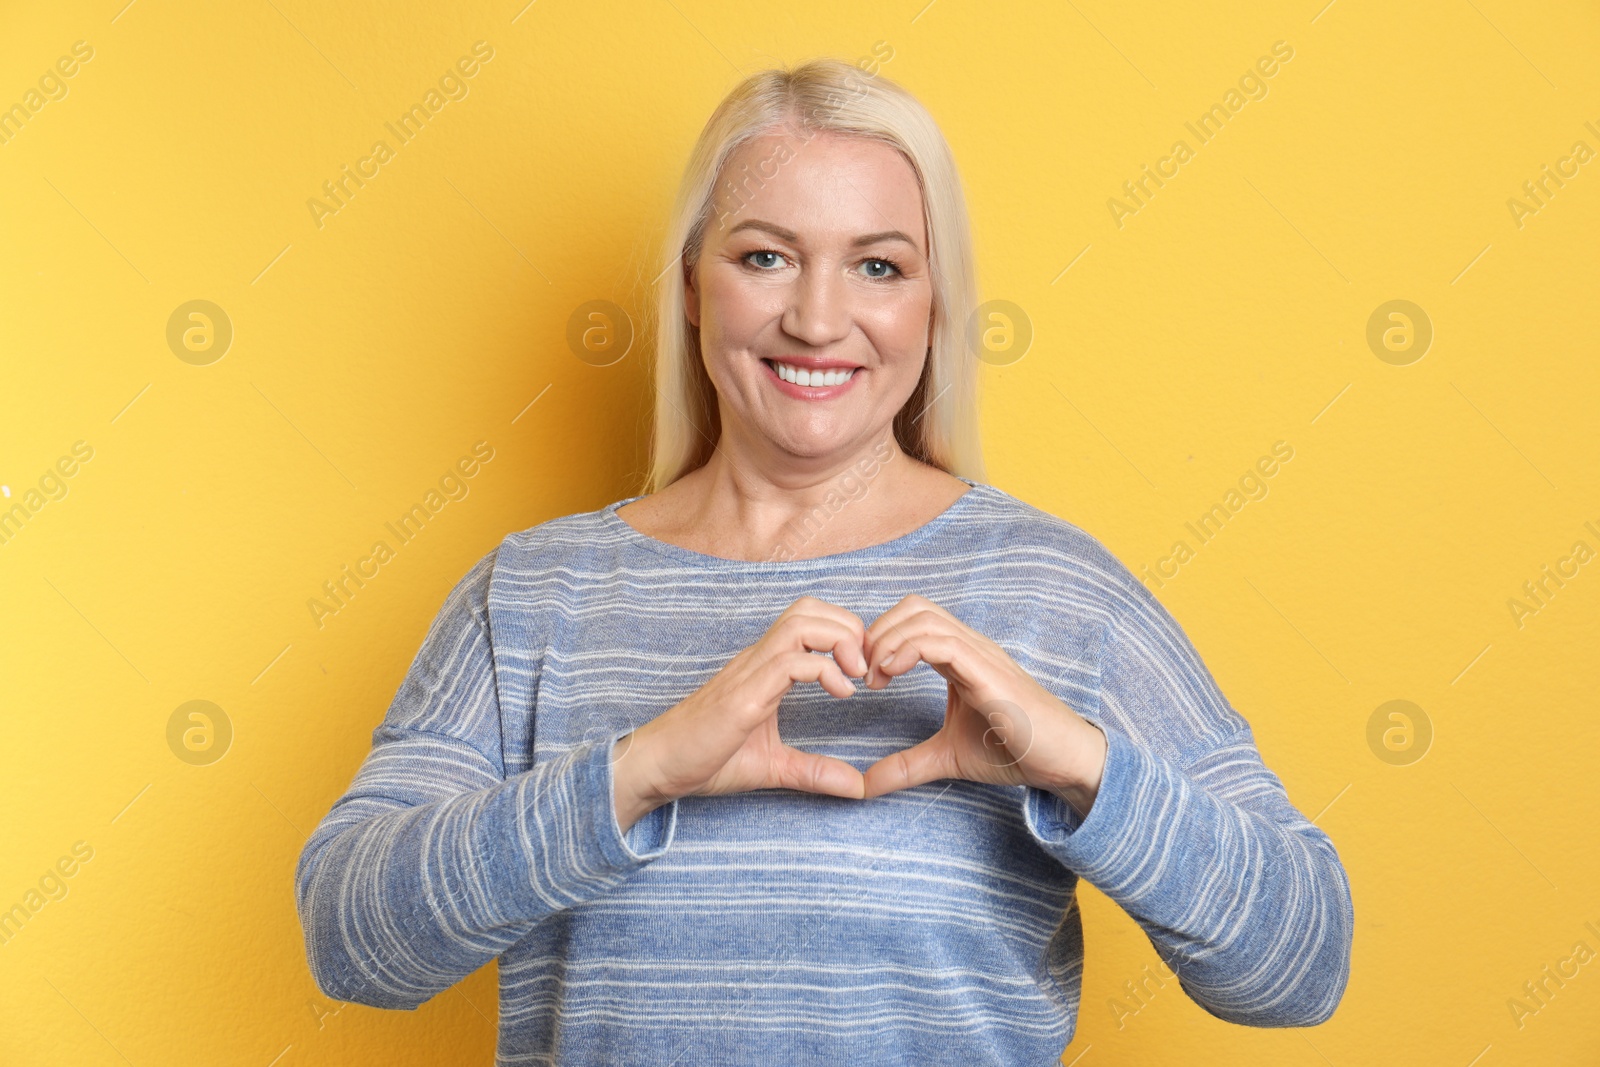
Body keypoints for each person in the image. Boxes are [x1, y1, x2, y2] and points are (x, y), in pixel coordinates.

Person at [294, 57, 1353, 1065]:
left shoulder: (1057, 591)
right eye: (764, 255)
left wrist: (1076, 763)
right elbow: (352, 942)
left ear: (933, 307)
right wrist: (642, 769)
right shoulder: (531, 593)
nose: (815, 317)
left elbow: (1299, 966)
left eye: (878, 266)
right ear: (693, 288)